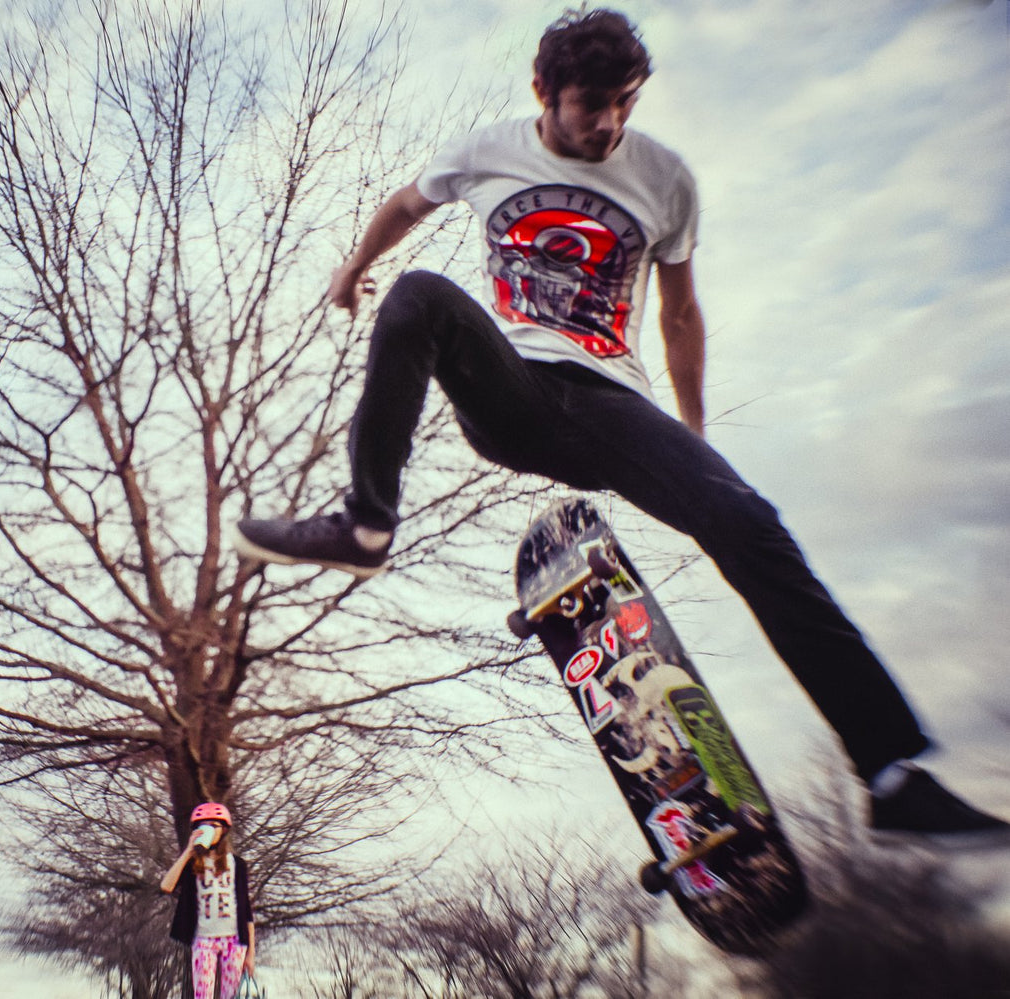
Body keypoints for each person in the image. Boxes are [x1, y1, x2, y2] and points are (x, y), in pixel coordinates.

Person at [233, 8, 1007, 839]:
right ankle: (366, 521)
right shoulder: (485, 148)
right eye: (589, 105)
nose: (608, 123)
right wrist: (355, 263)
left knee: (751, 524)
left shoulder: (665, 179)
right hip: (512, 391)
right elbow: (404, 204)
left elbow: (680, 314)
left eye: (623, 103)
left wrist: (696, 441)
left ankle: (890, 774)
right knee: (419, 292)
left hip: (611, 408)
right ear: (545, 93)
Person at [160, 802, 257, 999]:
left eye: (214, 825)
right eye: (203, 826)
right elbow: (166, 886)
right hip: (203, 939)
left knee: (231, 995)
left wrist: (251, 954)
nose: (209, 830)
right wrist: (189, 851)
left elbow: (247, 912)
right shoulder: (192, 864)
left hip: (234, 939)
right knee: (202, 995)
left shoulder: (236, 864)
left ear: (224, 830)